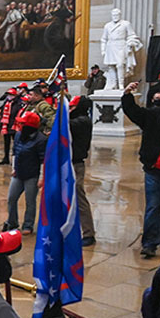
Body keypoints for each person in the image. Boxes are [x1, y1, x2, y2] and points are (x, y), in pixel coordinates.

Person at [122, 81, 160, 258]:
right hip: (154, 168)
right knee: (153, 206)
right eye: (156, 98)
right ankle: (150, 242)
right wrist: (127, 94)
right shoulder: (152, 116)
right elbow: (134, 112)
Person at [0, 112, 45, 234]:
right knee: (11, 198)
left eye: (23, 123)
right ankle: (12, 222)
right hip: (18, 173)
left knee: (30, 201)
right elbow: (15, 152)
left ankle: (28, 225)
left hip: (32, 175)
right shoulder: (19, 135)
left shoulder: (41, 140)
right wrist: (14, 168)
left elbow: (43, 160)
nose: (20, 125)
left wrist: (41, 177)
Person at [69, 94, 96, 246]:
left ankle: (88, 232)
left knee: (79, 198)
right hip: (67, 162)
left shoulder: (83, 121)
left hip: (76, 164)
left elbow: (68, 125)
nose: (70, 109)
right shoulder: (76, 119)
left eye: (73, 107)